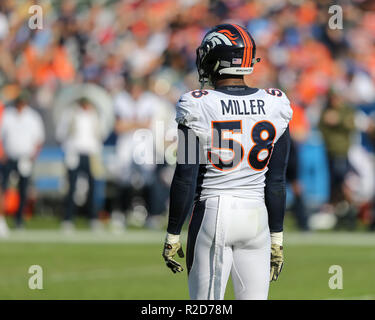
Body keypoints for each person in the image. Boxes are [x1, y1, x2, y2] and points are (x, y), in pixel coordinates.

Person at [162, 24, 292, 300]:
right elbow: (277, 180)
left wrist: (173, 231)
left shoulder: (197, 103)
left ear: (215, 59)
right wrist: (277, 236)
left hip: (215, 211)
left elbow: (185, 175)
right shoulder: (275, 103)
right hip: (257, 218)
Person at [56, 97, 104, 231]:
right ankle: (68, 219)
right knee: (71, 187)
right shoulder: (70, 114)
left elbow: (100, 134)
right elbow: (61, 134)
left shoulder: (95, 115)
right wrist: (69, 148)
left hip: (90, 154)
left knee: (93, 187)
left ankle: (93, 218)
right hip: (74, 153)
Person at [0, 92, 45, 228]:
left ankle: (19, 220)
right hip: (9, 157)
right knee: (3, 188)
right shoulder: (8, 115)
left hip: (25, 158)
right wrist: (2, 154)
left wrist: (33, 156)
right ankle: (1, 218)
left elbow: (39, 139)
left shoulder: (33, 117)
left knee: (23, 190)